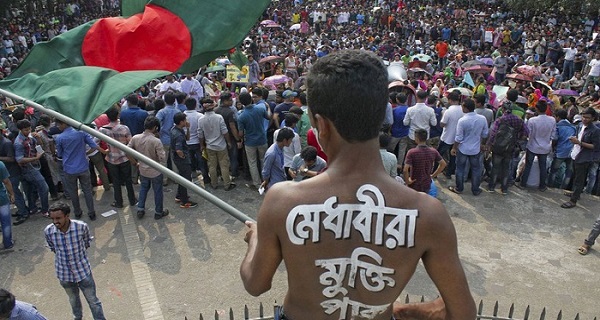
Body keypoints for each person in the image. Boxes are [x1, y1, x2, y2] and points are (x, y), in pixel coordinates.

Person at [240, 50, 475, 320]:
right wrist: (405, 311)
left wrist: (255, 239)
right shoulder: (428, 214)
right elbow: (461, 312)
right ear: (382, 118)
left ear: (320, 124)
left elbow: (255, 283)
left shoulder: (282, 201)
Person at [44, 201, 106, 320]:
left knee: (93, 301)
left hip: (83, 272)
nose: (55, 222)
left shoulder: (81, 227)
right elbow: (53, 248)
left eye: (58, 218)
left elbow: (87, 242)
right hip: (64, 274)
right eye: (52, 219)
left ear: (67, 216)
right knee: (73, 301)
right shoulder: (49, 231)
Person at [54, 119, 102, 221]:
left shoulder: (60, 138)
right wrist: (85, 154)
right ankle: (91, 212)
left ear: (64, 123)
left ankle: (77, 212)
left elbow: (60, 154)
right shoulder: (81, 133)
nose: (58, 127)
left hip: (69, 169)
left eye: (59, 124)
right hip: (83, 166)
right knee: (87, 190)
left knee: (73, 192)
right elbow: (94, 146)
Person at [128, 116, 169, 220]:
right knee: (158, 191)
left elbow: (126, 150)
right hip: (155, 171)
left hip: (142, 169)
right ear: (155, 127)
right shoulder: (156, 141)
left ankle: (140, 209)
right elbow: (162, 158)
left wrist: (134, 162)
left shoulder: (135, 138)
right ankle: (158, 212)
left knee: (143, 189)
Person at [486, 103, 528, 195]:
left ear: (503, 109)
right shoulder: (519, 120)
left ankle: (491, 187)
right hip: (510, 147)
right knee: (506, 168)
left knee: (495, 167)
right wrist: (517, 139)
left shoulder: (500, 120)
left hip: (498, 147)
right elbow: (525, 132)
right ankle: (504, 188)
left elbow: (493, 134)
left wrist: (489, 145)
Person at [449, 98, 489, 196]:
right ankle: (475, 190)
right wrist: (482, 144)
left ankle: (459, 188)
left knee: (460, 169)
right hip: (475, 149)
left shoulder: (462, 120)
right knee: (476, 169)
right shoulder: (482, 119)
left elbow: (458, 137)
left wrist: (454, 148)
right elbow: (485, 134)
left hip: (463, 148)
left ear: (466, 108)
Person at [562, 107, 600, 209]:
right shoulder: (579, 125)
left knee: (580, 179)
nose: (584, 119)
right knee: (575, 176)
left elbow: (595, 146)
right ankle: (575, 193)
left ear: (592, 118)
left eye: (587, 118)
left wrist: (579, 143)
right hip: (575, 154)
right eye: (583, 117)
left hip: (584, 157)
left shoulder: (595, 131)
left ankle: (573, 200)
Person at [99, 107, 137, 208]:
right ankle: (132, 200)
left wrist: (104, 152)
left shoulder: (102, 130)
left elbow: (94, 143)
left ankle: (119, 202)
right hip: (124, 158)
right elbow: (131, 142)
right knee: (128, 180)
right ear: (117, 115)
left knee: (116, 182)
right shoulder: (124, 128)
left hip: (111, 159)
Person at [517, 100, 556, 191]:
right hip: (545, 147)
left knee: (528, 165)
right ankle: (542, 186)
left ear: (537, 109)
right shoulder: (552, 120)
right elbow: (553, 135)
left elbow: (528, 134)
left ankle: (523, 184)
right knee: (543, 166)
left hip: (532, 146)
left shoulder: (532, 120)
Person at [198, 98, 235, 191]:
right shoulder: (219, 117)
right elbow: (225, 132)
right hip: (221, 146)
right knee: (224, 165)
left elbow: (200, 135)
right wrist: (229, 142)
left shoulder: (201, 119)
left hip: (209, 146)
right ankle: (227, 184)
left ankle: (214, 184)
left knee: (212, 166)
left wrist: (202, 145)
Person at [13, 119, 49, 217]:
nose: (28, 131)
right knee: (44, 187)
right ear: (20, 130)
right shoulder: (19, 142)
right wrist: (35, 158)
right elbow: (19, 159)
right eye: (26, 130)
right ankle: (45, 210)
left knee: (31, 189)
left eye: (29, 129)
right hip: (29, 168)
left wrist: (38, 139)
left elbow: (39, 146)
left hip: (35, 165)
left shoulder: (29, 137)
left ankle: (33, 208)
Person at [238, 92, 271, 189]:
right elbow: (269, 117)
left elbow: (240, 133)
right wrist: (268, 107)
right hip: (262, 139)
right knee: (263, 160)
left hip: (249, 142)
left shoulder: (241, 116)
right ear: (251, 99)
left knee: (252, 163)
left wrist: (239, 139)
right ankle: (265, 180)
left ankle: (257, 184)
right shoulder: (260, 109)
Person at [404, 128, 446, 194]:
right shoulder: (433, 151)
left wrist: (407, 181)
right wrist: (433, 175)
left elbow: (405, 170)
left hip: (414, 183)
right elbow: (443, 164)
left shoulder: (411, 152)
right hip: (426, 183)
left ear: (416, 138)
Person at [171, 112, 198, 208]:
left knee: (182, 177)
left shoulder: (177, 129)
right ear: (181, 121)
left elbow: (187, 138)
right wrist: (183, 157)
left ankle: (179, 195)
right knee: (185, 178)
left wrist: (188, 129)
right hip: (181, 160)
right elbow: (178, 150)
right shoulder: (178, 134)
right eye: (185, 120)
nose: (186, 122)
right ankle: (184, 200)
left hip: (179, 158)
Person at [0, 160, 15, 250]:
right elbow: (6, 181)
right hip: (1, 198)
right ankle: (8, 243)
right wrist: (12, 194)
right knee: (5, 222)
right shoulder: (0, 165)